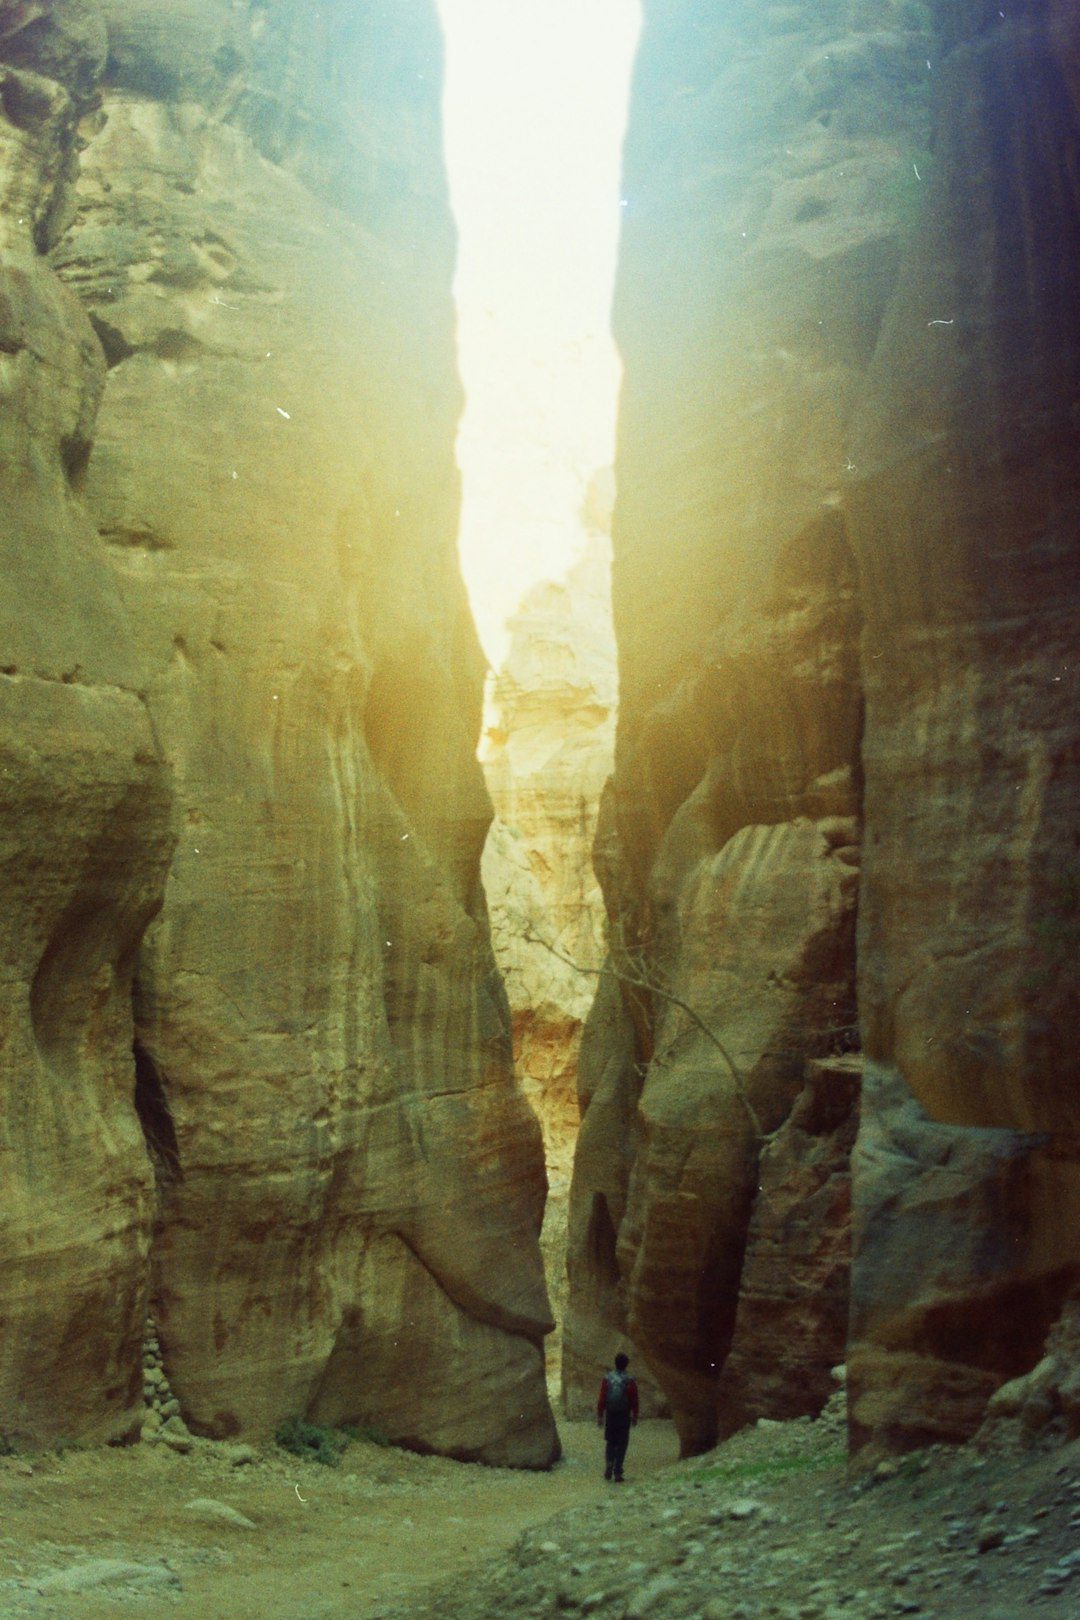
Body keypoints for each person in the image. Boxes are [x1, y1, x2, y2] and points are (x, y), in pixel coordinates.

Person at [597, 1351, 638, 1482]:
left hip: (611, 1415)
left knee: (610, 1441)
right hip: (623, 1415)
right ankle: (618, 1472)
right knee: (622, 1443)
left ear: (615, 1363)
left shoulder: (607, 1378)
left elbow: (602, 1398)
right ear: (626, 1365)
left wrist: (600, 1415)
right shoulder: (630, 1380)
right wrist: (635, 1416)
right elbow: (634, 1400)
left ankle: (609, 1463)